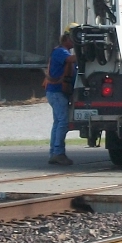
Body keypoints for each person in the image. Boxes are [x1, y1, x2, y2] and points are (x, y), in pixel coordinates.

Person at [45, 31, 77, 165]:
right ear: (66, 39)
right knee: (63, 122)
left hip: (57, 92)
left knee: (58, 122)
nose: (75, 41)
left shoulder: (63, 52)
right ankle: (58, 153)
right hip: (57, 92)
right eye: (73, 39)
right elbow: (71, 60)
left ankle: (54, 153)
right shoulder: (60, 52)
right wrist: (86, 52)